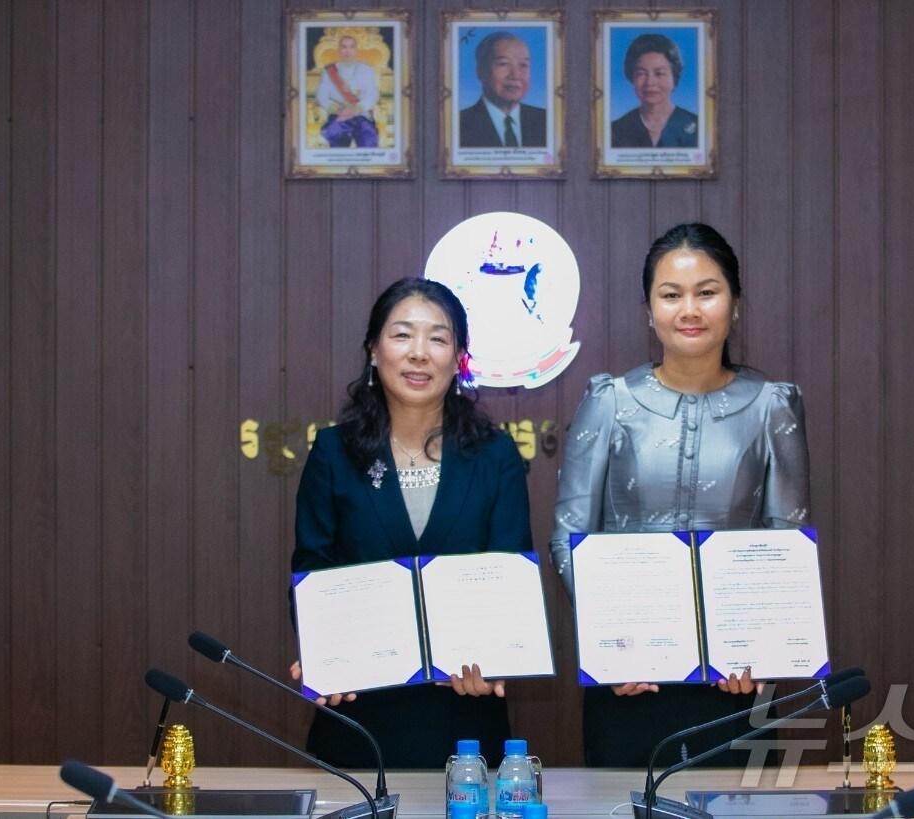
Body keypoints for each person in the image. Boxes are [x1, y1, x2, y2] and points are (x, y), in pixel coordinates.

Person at [549, 223, 810, 768]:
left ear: (734, 304)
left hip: (737, 684)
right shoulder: (610, 401)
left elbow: (786, 539)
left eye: (707, 292)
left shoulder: (771, 405)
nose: (689, 309)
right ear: (649, 310)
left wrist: (761, 648)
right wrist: (613, 641)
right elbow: (570, 534)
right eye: (671, 295)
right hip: (628, 678)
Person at [291, 277, 532, 767]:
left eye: (438, 339)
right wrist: (323, 652)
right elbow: (312, 565)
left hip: (466, 716)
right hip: (360, 714)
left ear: (458, 356)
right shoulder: (335, 452)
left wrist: (498, 655)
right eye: (402, 335)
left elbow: (510, 571)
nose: (419, 353)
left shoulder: (494, 454)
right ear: (374, 351)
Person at [459, 31, 547, 148]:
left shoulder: (546, 121)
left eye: (523, 65)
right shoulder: (458, 124)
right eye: (503, 64)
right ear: (480, 71)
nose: (515, 75)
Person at [610, 33, 699, 149]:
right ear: (632, 77)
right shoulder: (616, 130)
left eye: (659, 73)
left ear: (674, 77)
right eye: (641, 73)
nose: (650, 82)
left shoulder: (699, 127)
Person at [316, 34, 380, 148]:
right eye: (344, 47)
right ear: (339, 50)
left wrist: (356, 109)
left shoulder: (366, 70)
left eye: (351, 47)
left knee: (369, 142)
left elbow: (372, 95)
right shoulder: (329, 71)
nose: (347, 51)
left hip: (361, 115)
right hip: (338, 116)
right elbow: (322, 97)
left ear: (356, 50)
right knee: (336, 139)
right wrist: (340, 110)